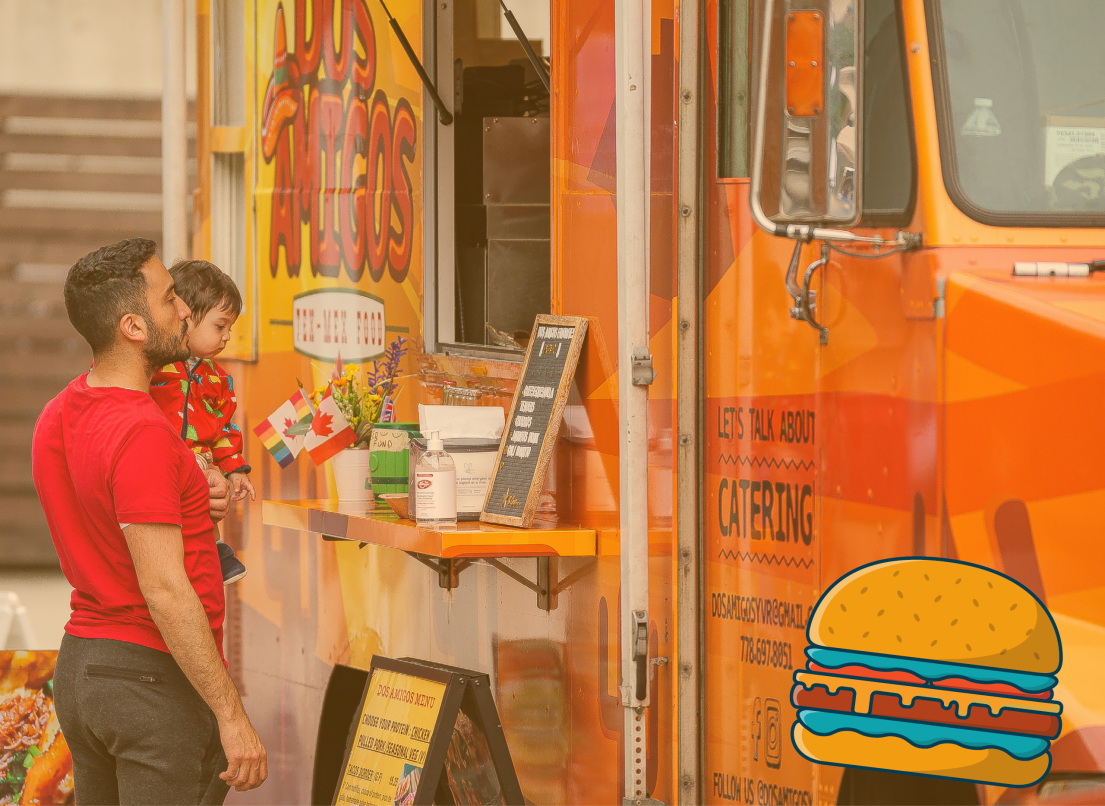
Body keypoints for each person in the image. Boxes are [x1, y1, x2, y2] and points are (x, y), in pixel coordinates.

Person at [31, 238, 267, 804]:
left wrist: (191, 493)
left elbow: (102, 511)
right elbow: (164, 589)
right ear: (134, 327)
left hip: (84, 667)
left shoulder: (58, 413)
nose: (185, 309)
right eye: (170, 300)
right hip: (151, 677)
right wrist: (231, 716)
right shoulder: (143, 434)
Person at [149, 260, 252, 584]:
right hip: (161, 460)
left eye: (229, 330)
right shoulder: (154, 367)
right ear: (185, 316)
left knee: (209, 491)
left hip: (201, 460)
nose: (226, 338)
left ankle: (214, 549)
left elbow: (223, 430)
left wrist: (235, 469)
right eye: (220, 326)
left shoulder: (217, 379)